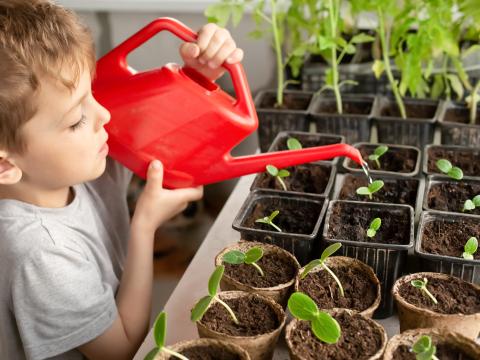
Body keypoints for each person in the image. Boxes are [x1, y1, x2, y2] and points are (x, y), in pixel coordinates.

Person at [0, 1, 244, 359]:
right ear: (6, 165)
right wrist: (145, 226)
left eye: (92, 94)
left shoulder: (73, 158)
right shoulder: (40, 253)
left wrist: (200, 74)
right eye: (75, 119)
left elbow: (157, 124)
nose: (104, 114)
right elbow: (122, 349)